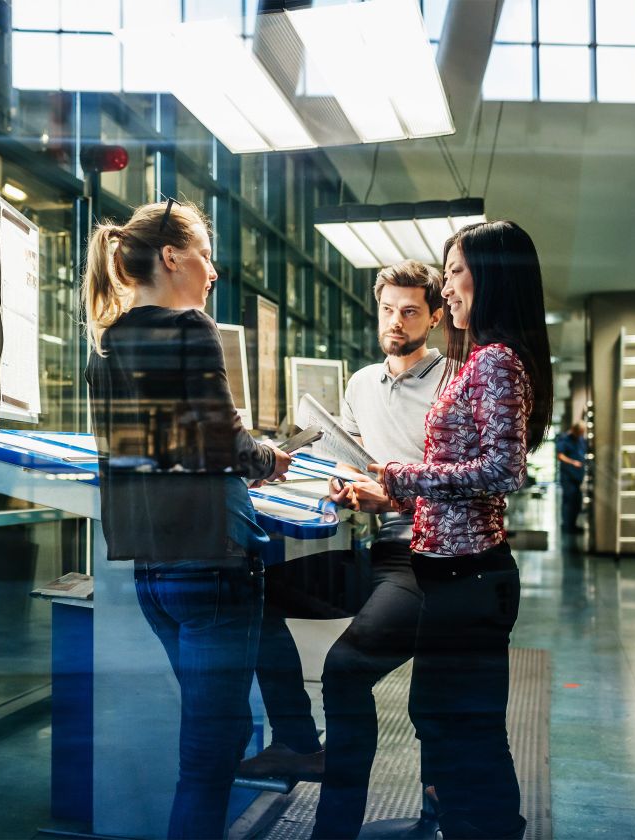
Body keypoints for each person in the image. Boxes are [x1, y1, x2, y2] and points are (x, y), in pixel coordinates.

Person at [82, 198, 292, 839]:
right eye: (206, 253)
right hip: (213, 562)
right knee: (205, 760)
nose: (213, 270)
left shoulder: (107, 343)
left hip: (154, 572)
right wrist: (267, 456)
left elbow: (144, 450)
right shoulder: (192, 327)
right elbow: (221, 444)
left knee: (220, 731)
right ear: (172, 257)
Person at [240, 261, 446, 839]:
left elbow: (458, 477)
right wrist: (338, 479)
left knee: (346, 667)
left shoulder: (453, 382)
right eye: (388, 310)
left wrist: (392, 493)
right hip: (377, 550)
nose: (396, 322)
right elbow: (351, 460)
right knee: (252, 592)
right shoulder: (360, 384)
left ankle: (333, 830)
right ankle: (298, 741)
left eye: (410, 311)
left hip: (429, 557)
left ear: (433, 316)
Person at [373, 221, 553, 840]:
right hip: (453, 574)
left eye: (453, 271)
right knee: (441, 717)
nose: (445, 286)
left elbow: (505, 470)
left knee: (465, 727)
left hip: (471, 576)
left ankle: (489, 830)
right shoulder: (478, 358)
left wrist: (402, 477)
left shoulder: (497, 361)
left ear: (491, 274)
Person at [556, 421, 587, 533]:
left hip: (577, 477)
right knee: (569, 501)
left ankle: (573, 525)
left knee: (576, 501)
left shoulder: (581, 440)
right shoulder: (565, 439)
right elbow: (560, 455)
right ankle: (567, 526)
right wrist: (573, 462)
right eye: (580, 432)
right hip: (568, 477)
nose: (581, 434)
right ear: (575, 430)